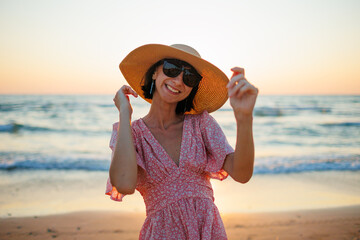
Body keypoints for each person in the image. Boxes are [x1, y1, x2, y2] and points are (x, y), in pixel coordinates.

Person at [106, 44, 258, 239]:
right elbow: (124, 183)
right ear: (155, 72)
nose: (178, 81)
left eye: (189, 77)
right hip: (162, 233)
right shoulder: (132, 133)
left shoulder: (201, 124)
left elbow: (242, 174)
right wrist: (124, 113)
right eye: (172, 69)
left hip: (208, 230)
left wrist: (244, 117)